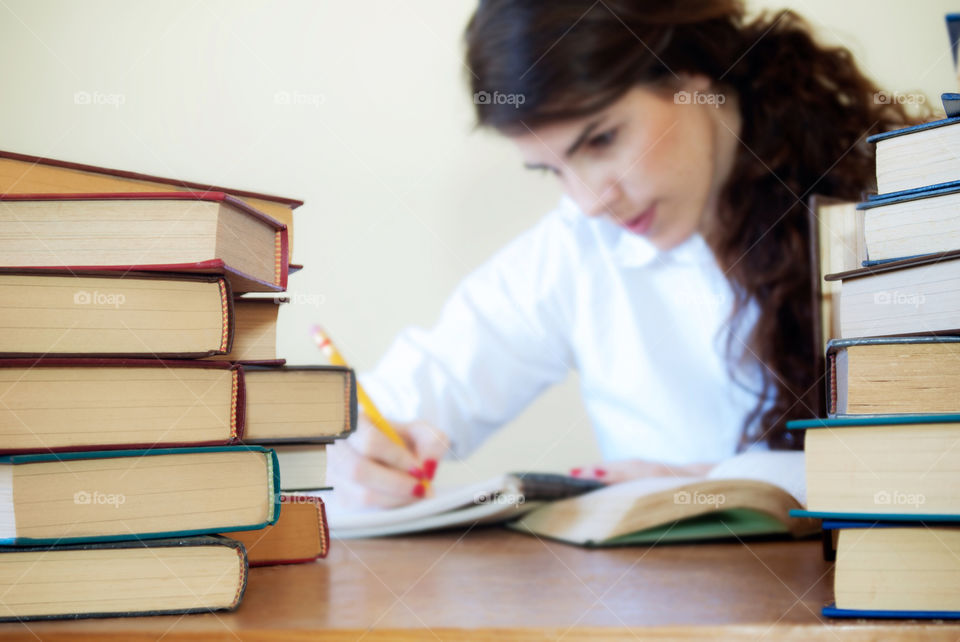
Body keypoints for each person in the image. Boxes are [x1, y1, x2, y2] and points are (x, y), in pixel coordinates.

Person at [328, 0, 923, 508]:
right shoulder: (574, 249)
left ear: (690, 70)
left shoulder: (896, 205)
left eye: (603, 140)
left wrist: (728, 481)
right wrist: (353, 451)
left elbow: (931, 462)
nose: (589, 201)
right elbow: (408, 398)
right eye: (551, 170)